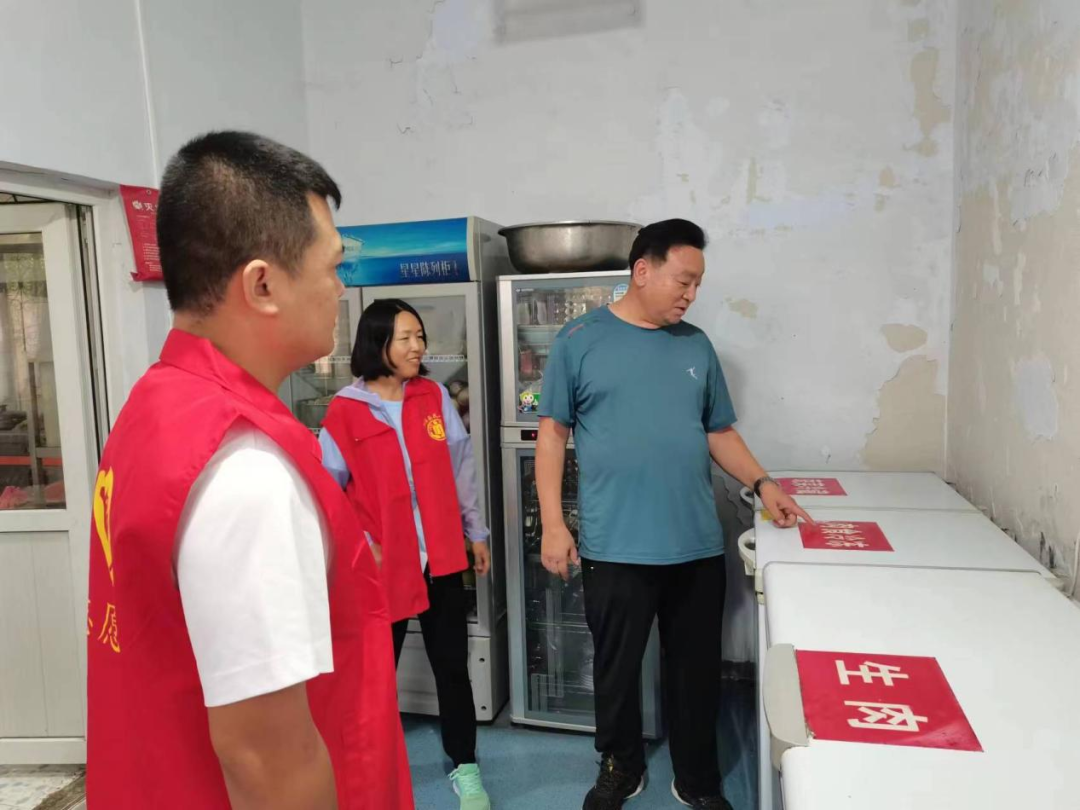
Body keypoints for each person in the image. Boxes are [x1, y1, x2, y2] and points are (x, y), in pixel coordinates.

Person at [86, 131, 413, 810]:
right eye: (333, 266)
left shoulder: (158, 403)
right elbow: (267, 758)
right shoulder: (248, 470)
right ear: (262, 284)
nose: (341, 288)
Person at [536, 219, 812, 810]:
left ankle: (698, 779)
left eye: (698, 284)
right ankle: (620, 766)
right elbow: (553, 435)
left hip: (694, 543)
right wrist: (554, 525)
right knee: (615, 670)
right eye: (683, 281)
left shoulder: (695, 345)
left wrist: (764, 483)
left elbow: (719, 431)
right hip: (615, 544)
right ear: (643, 270)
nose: (691, 294)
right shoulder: (580, 339)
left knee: (695, 672)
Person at [320, 298, 493, 810]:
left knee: (452, 668)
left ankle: (466, 766)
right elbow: (328, 492)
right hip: (380, 566)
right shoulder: (345, 410)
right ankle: (365, 771)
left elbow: (461, 467)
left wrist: (476, 531)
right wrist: (358, 545)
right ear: (378, 344)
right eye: (406, 338)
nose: (419, 347)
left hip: (441, 555)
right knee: (375, 676)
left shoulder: (432, 396)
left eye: (420, 336)